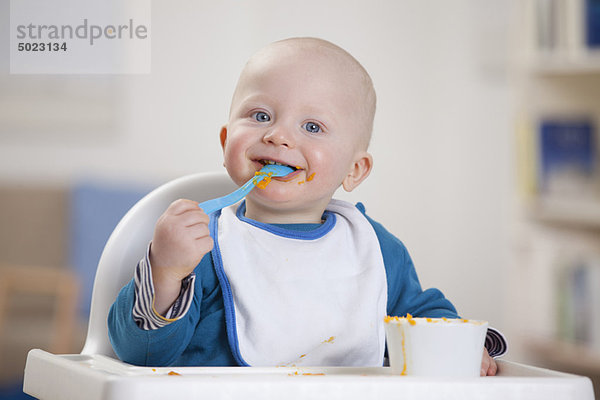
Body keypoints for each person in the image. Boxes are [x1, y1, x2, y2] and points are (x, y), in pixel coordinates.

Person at [108, 37, 506, 375]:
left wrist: (466, 347)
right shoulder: (205, 248)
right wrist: (166, 272)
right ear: (226, 140)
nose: (279, 135)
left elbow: (421, 315)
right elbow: (141, 357)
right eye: (260, 115)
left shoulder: (373, 249)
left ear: (355, 169)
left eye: (312, 127)